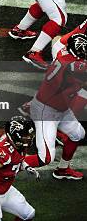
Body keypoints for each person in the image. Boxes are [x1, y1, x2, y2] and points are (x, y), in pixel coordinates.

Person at [28, 33, 86, 180]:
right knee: (45, 158)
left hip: (60, 108)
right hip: (46, 111)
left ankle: (62, 169)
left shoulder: (65, 54)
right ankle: (5, 164)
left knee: (78, 134)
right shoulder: (74, 66)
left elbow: (59, 41)